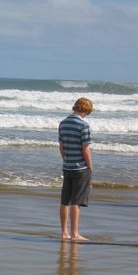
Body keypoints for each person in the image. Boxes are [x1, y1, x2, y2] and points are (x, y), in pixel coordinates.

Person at [58, 97, 93, 241]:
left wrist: (66, 160)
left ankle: (64, 233)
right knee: (76, 201)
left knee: (64, 200)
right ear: (84, 110)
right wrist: (90, 167)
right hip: (80, 167)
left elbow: (61, 147)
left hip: (67, 166)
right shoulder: (83, 125)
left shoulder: (63, 123)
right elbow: (86, 149)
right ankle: (74, 233)